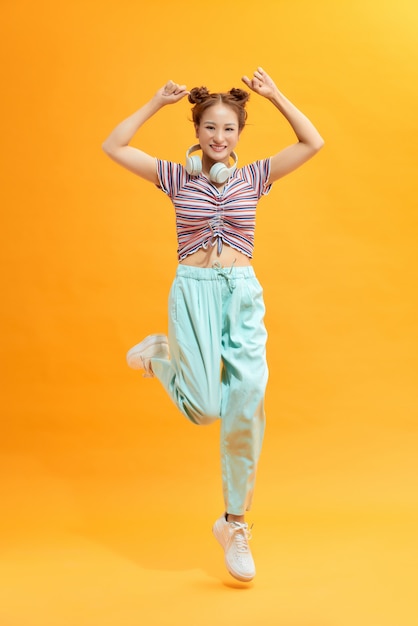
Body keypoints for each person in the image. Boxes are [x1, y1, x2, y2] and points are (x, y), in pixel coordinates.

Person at [102, 67, 324, 582]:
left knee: (247, 399)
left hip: (242, 294)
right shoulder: (177, 178)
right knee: (204, 408)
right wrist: (155, 102)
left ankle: (236, 524)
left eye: (228, 129)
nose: (219, 138)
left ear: (239, 135)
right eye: (209, 128)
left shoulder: (254, 177)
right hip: (193, 293)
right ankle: (161, 354)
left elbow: (312, 142)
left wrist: (277, 96)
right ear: (196, 132)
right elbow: (114, 146)